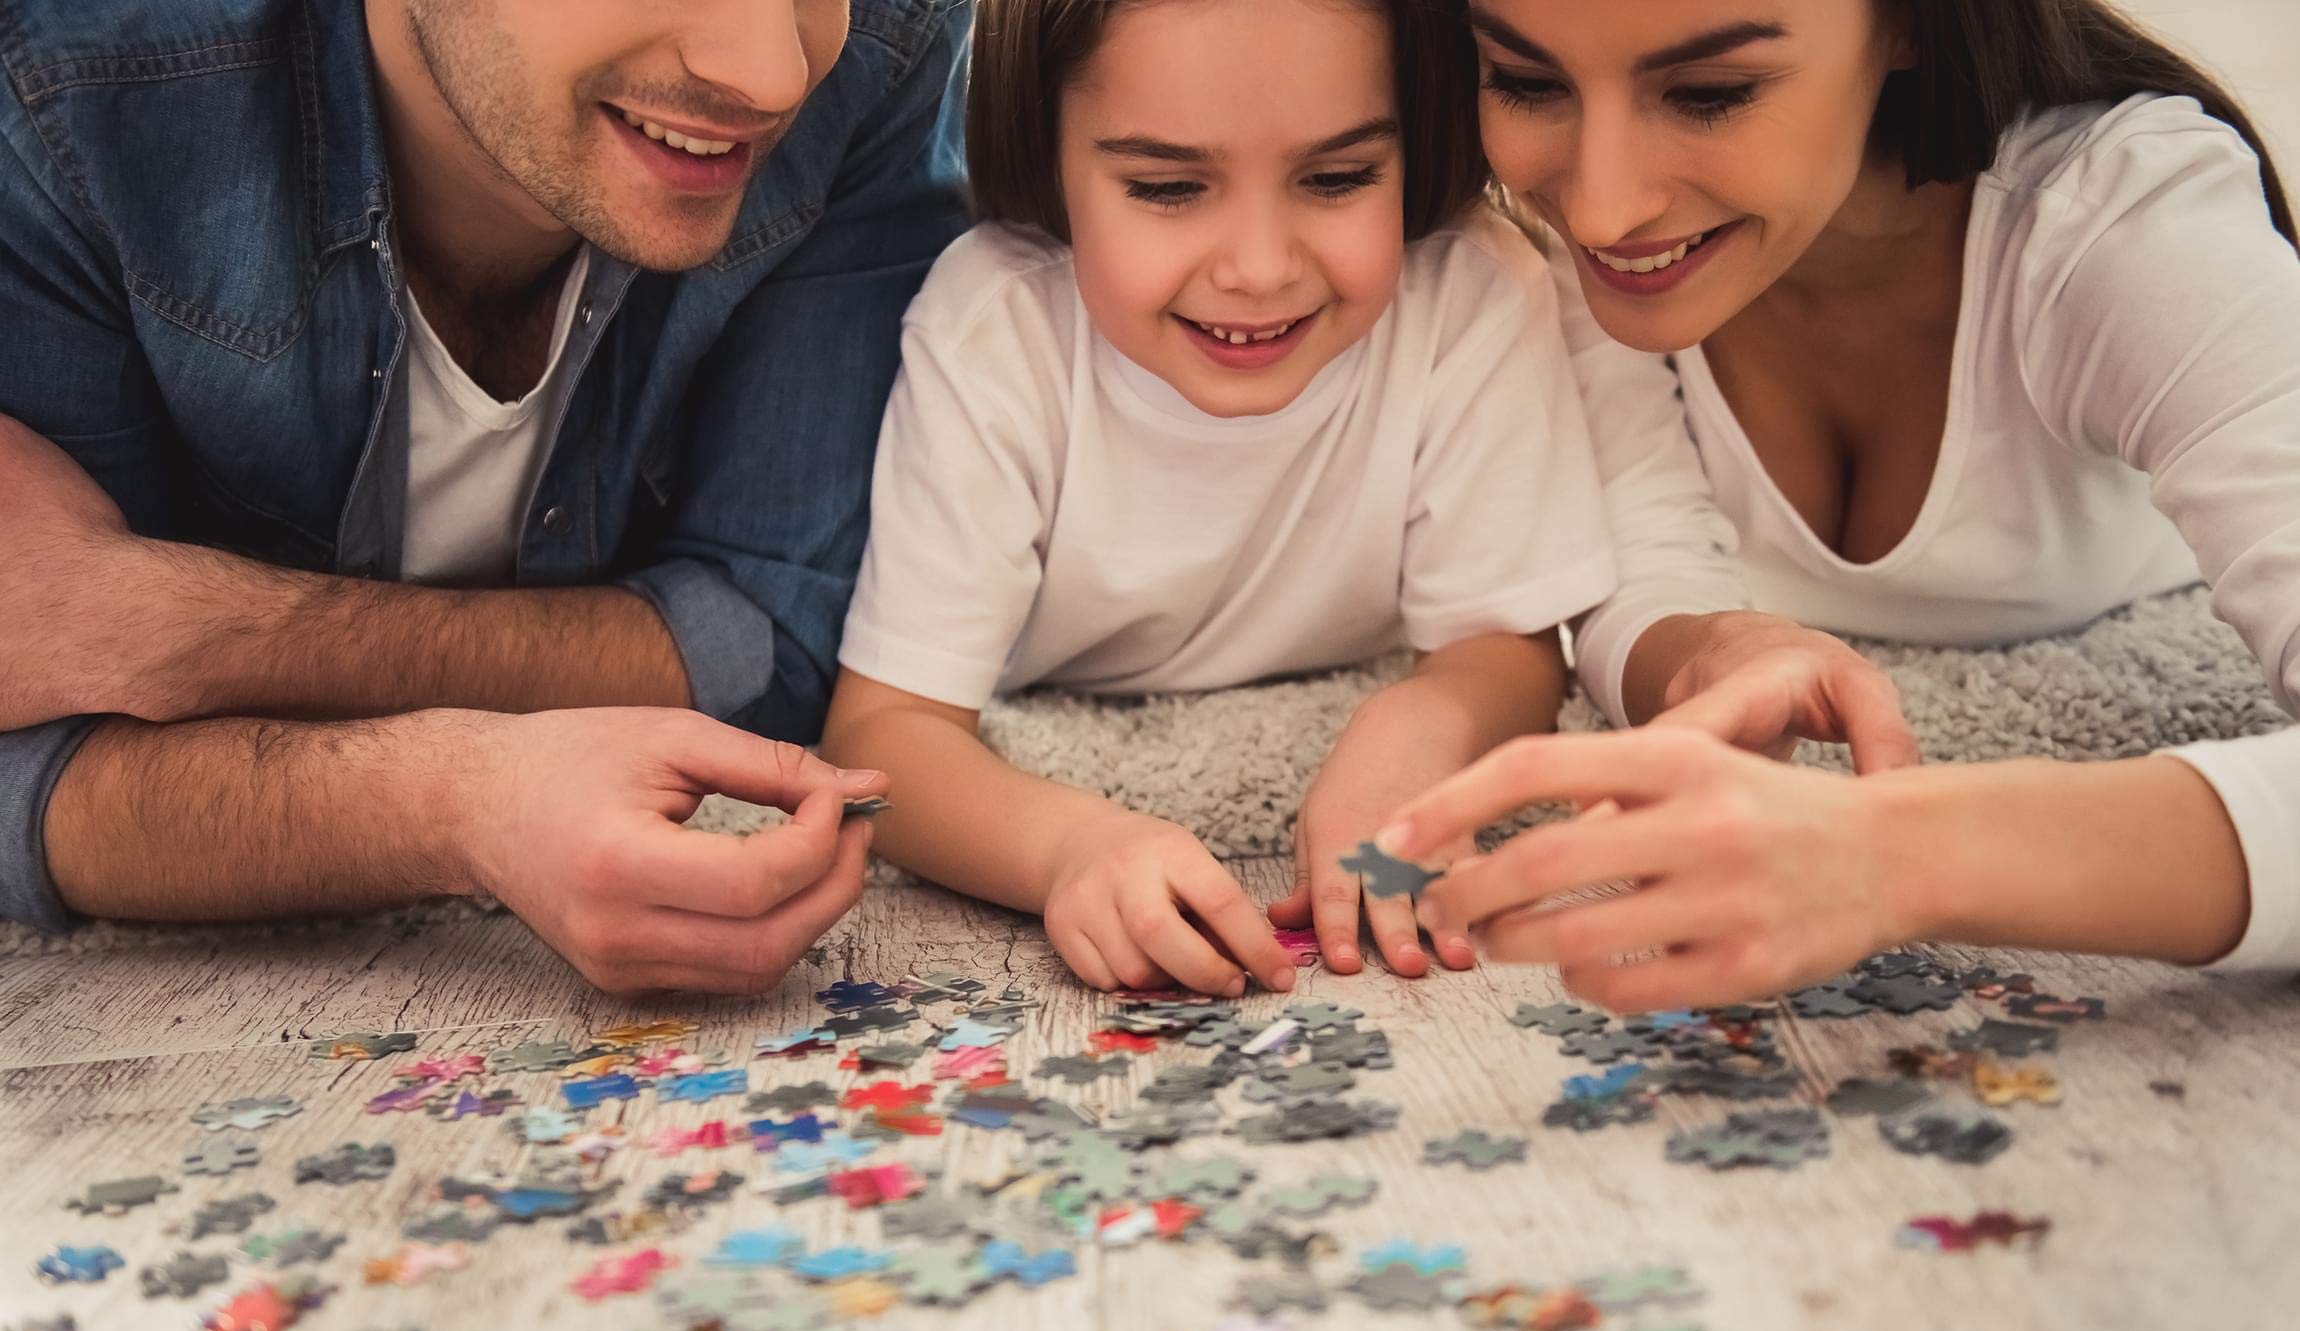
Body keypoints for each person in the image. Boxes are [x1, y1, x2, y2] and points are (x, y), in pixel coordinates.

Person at [0, 0, 971, 994]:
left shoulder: (883, 45)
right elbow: (24, 751)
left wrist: (201, 632)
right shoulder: (62, 84)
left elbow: (777, 632)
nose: (771, 75)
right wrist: (458, 802)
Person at [1380, 0, 2300, 1009]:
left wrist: (1898, 854)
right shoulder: (1552, 253)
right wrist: (1707, 646)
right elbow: (1633, 569)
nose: (1600, 209)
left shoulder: (2118, 218)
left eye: (1710, 93)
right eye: (1525, 81)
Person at [819, 0, 1626, 997]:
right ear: (1047, 151)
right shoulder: (994, 330)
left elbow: (1502, 647)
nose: (1258, 268)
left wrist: (1422, 726)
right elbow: (884, 733)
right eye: (1165, 187)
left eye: (1336, 179)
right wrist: (1069, 846)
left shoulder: (1472, 294)